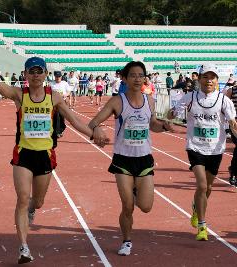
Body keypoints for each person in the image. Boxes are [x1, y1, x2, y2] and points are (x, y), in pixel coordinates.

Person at [0, 55, 107, 264]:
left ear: (46, 74)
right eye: (32, 71)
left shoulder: (54, 97)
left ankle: (32, 208)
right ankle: (23, 247)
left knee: (37, 202)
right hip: (23, 154)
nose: (36, 75)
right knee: (22, 198)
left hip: (45, 155)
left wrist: (93, 135)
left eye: (40, 71)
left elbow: (74, 120)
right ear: (26, 75)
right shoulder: (19, 94)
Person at [89, 61, 173, 256]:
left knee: (145, 207)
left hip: (144, 159)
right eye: (133, 75)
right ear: (125, 79)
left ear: (145, 78)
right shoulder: (117, 101)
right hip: (123, 160)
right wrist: (98, 128)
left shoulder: (150, 100)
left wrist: (164, 126)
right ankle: (126, 241)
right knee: (127, 206)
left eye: (140, 75)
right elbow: (93, 122)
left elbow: (153, 125)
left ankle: (136, 191)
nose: (137, 79)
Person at [167, 64, 237, 241]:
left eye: (212, 77)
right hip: (195, 146)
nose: (209, 81)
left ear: (217, 80)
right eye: (205, 77)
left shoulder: (223, 100)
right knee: (202, 185)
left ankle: (197, 207)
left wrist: (235, 129)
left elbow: (233, 122)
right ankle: (202, 225)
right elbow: (172, 113)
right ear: (199, 78)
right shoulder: (190, 97)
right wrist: (171, 113)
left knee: (208, 187)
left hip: (216, 148)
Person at [224, 82, 237, 186]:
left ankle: (233, 169)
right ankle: (233, 173)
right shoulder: (231, 90)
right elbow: (224, 106)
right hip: (235, 123)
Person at [51, 71, 70, 138]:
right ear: (54, 76)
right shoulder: (52, 84)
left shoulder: (64, 83)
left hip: (63, 102)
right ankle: (56, 132)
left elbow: (69, 92)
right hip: (55, 104)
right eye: (56, 76)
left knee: (62, 117)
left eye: (59, 76)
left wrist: (65, 95)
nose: (57, 78)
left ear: (61, 77)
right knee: (56, 117)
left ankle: (61, 129)